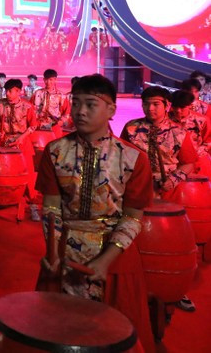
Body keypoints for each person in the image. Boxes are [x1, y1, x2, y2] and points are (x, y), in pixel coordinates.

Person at [36, 74, 155, 352]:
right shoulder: (55, 152)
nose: (80, 111)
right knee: (60, 330)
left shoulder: (133, 157)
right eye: (75, 103)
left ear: (111, 110)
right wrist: (52, 252)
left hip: (115, 257)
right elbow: (51, 209)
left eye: (90, 104)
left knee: (114, 333)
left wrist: (105, 261)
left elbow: (133, 216)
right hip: (65, 251)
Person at [121, 85, 199, 313]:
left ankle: (175, 288)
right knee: (134, 237)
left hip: (169, 193)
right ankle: (132, 285)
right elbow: (121, 157)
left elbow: (189, 162)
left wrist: (173, 180)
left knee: (171, 243)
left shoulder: (178, 132)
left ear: (166, 106)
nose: (150, 108)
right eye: (146, 104)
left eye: (156, 104)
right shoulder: (132, 128)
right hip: (138, 191)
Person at [0, 78, 41, 221]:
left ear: (18, 92)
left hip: (22, 143)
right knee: (5, 172)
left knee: (27, 174)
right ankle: (6, 200)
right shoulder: (1, 104)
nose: (7, 94)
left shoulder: (27, 106)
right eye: (6, 91)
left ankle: (32, 206)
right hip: (6, 143)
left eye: (10, 91)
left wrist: (21, 138)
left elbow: (33, 126)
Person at [170, 90, 210, 177]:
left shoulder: (202, 120)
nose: (178, 110)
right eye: (175, 107)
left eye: (182, 107)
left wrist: (196, 154)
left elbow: (208, 141)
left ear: (190, 106)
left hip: (197, 159)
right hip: (172, 161)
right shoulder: (165, 119)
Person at [32, 69, 71, 137]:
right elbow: (30, 109)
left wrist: (61, 122)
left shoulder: (61, 96)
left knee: (57, 146)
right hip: (39, 126)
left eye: (50, 80)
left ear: (55, 80)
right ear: (44, 80)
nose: (48, 82)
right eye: (46, 80)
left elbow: (67, 112)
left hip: (55, 126)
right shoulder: (37, 93)